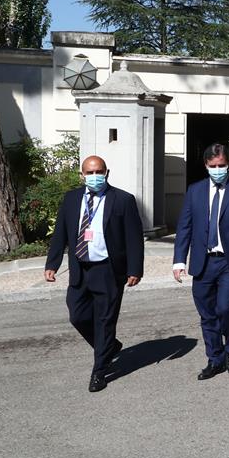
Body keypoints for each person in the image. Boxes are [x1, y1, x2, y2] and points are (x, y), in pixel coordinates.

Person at [44, 155, 144, 393]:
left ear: (107, 173)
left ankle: (99, 371)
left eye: (98, 171)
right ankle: (109, 346)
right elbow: (61, 233)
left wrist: (135, 269)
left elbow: (133, 237)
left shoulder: (122, 200)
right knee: (77, 315)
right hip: (80, 267)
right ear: (82, 175)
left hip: (108, 270)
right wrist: (52, 263)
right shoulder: (71, 199)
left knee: (105, 320)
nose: (94, 176)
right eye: (89, 173)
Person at [173, 144, 229, 380]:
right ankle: (215, 358)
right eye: (213, 166)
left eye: (222, 165)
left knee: (224, 308)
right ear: (206, 166)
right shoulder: (195, 191)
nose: (218, 170)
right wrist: (179, 260)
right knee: (207, 315)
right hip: (203, 262)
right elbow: (185, 227)